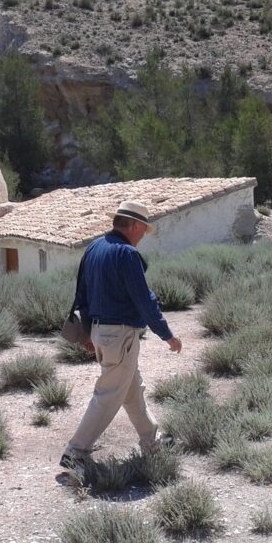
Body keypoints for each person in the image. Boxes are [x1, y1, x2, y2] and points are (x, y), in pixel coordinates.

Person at [60, 200, 182, 471]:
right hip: (120, 336)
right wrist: (167, 335)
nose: (142, 237)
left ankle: (152, 441)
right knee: (108, 395)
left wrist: (89, 333)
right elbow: (144, 301)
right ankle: (75, 451)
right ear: (135, 225)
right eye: (143, 231)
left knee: (131, 391)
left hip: (104, 334)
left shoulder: (95, 247)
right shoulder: (126, 254)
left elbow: (83, 295)